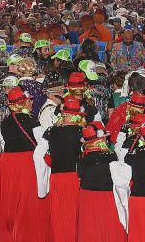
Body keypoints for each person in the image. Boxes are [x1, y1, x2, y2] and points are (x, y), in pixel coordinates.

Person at [0, 86, 50, 241]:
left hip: (9, 162)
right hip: (26, 162)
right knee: (27, 200)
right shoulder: (32, 121)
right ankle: (27, 234)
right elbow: (42, 144)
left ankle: (10, 234)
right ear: (23, 103)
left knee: (10, 199)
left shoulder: (4, 123)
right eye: (28, 100)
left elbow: (4, 144)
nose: (31, 103)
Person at [42, 95, 85, 242]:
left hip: (56, 176)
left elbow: (44, 156)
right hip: (74, 176)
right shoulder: (81, 133)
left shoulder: (51, 131)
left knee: (59, 214)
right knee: (74, 214)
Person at [76, 122, 125, 242]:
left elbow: (80, 177)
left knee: (90, 228)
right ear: (101, 139)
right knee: (108, 227)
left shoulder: (82, 157)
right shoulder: (111, 156)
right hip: (107, 198)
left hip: (87, 197)